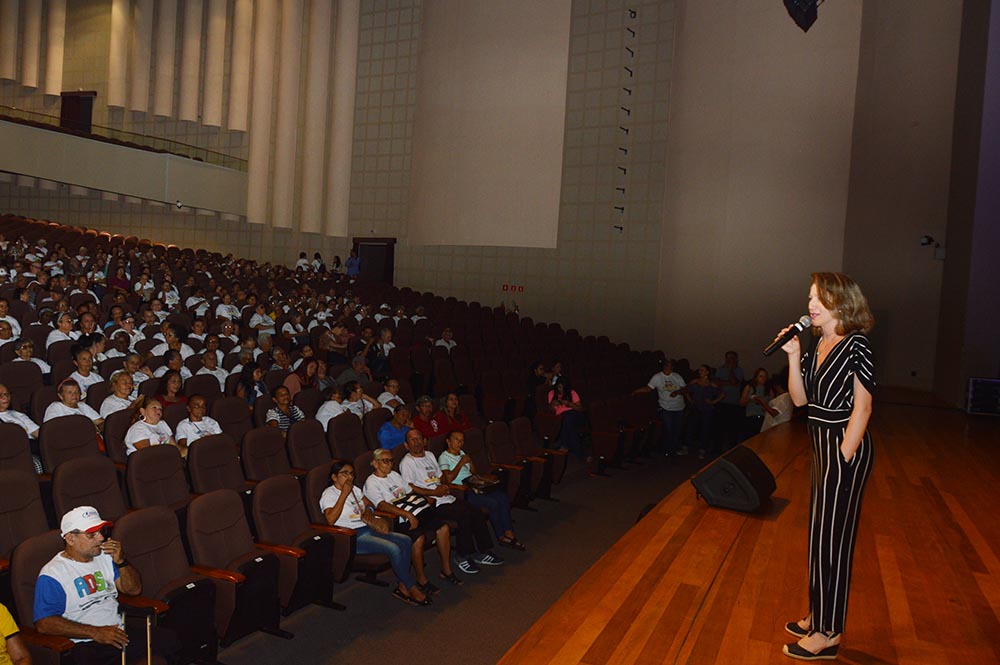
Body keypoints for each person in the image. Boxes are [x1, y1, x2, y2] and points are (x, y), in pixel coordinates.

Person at [778, 272, 875, 661]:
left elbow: (863, 407)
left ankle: (828, 633)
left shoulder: (857, 345)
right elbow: (800, 401)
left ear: (840, 302)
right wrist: (792, 355)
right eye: (810, 298)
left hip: (842, 449)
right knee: (820, 537)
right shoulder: (819, 343)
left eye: (818, 298)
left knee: (832, 541)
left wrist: (844, 456)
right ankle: (819, 614)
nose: (810, 305)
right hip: (821, 447)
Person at [33, 506, 177, 665]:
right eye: (91, 535)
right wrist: (95, 632)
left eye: (101, 531)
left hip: (118, 633)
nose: (101, 538)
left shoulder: (104, 556)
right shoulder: (53, 574)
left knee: (172, 639)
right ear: (70, 538)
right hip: (85, 643)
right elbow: (44, 623)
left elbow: (133, 590)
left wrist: (121, 562)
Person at [320, 461, 431, 606]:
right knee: (393, 548)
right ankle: (410, 586)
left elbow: (370, 504)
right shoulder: (329, 494)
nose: (349, 477)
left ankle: (403, 586)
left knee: (406, 540)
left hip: (367, 529)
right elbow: (330, 519)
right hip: (351, 537)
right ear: (334, 477)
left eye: (351, 473)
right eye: (344, 473)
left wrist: (368, 512)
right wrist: (344, 494)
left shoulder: (355, 489)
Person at [399, 429, 503, 572]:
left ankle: (482, 552)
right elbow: (409, 488)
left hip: (445, 496)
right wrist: (434, 491)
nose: (416, 442)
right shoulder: (406, 462)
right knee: (464, 516)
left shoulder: (429, 455)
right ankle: (462, 556)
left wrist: (443, 484)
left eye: (419, 438)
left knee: (476, 512)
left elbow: (440, 475)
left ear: (424, 441)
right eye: (412, 439)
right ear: (406, 445)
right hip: (431, 503)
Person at [363, 448, 461, 587]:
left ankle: (446, 570)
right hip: (398, 520)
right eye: (385, 461)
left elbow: (410, 492)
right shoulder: (371, 482)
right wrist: (407, 514)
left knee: (443, 528)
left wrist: (428, 496)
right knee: (418, 539)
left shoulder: (395, 475)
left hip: (415, 512)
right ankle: (421, 579)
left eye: (391, 461)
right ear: (374, 463)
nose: (390, 464)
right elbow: (382, 506)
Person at [438, 430, 524, 551]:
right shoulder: (443, 457)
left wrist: (469, 461)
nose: (460, 443)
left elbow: (473, 472)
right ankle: (500, 536)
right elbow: (448, 479)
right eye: (456, 439)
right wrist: (460, 463)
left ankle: (509, 532)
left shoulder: (462, 453)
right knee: (492, 503)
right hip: (462, 490)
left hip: (474, 484)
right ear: (448, 442)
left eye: (462, 440)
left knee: (502, 497)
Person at [633, 359, 686, 456]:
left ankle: (674, 449)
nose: (669, 368)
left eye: (671, 366)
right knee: (668, 429)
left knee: (677, 429)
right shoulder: (657, 377)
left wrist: (677, 392)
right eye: (667, 366)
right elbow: (648, 388)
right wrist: (636, 391)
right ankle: (667, 450)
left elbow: (684, 389)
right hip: (666, 407)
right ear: (664, 366)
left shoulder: (677, 376)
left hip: (679, 407)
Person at [682, 364, 723, 459]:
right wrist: (690, 400)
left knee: (705, 429)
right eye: (699, 370)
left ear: (707, 372)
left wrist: (713, 401)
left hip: (707, 410)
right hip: (696, 408)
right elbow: (686, 390)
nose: (700, 372)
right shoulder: (695, 382)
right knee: (691, 427)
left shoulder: (712, 384)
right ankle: (686, 447)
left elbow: (722, 394)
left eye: (702, 370)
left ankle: (702, 450)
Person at [715, 350, 745, 451]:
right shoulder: (721, 369)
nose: (729, 360)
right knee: (719, 428)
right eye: (727, 358)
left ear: (736, 359)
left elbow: (735, 382)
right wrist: (728, 383)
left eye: (731, 358)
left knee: (732, 429)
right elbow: (717, 382)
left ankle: (732, 450)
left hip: (733, 403)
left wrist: (731, 370)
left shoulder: (739, 370)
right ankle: (717, 449)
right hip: (721, 402)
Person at [548, 378, 585, 458]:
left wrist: (569, 403)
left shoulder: (572, 393)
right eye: (559, 387)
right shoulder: (552, 393)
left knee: (568, 418)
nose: (561, 390)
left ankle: (564, 445)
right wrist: (552, 404)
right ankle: (580, 454)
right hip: (561, 417)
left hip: (575, 414)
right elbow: (551, 411)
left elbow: (580, 409)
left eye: (563, 388)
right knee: (570, 428)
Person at [739, 368, 772, 442]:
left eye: (765, 376)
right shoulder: (749, 387)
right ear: (756, 377)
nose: (763, 378)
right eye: (761, 376)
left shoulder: (768, 389)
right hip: (751, 417)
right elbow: (741, 402)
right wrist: (751, 400)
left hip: (763, 417)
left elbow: (772, 402)